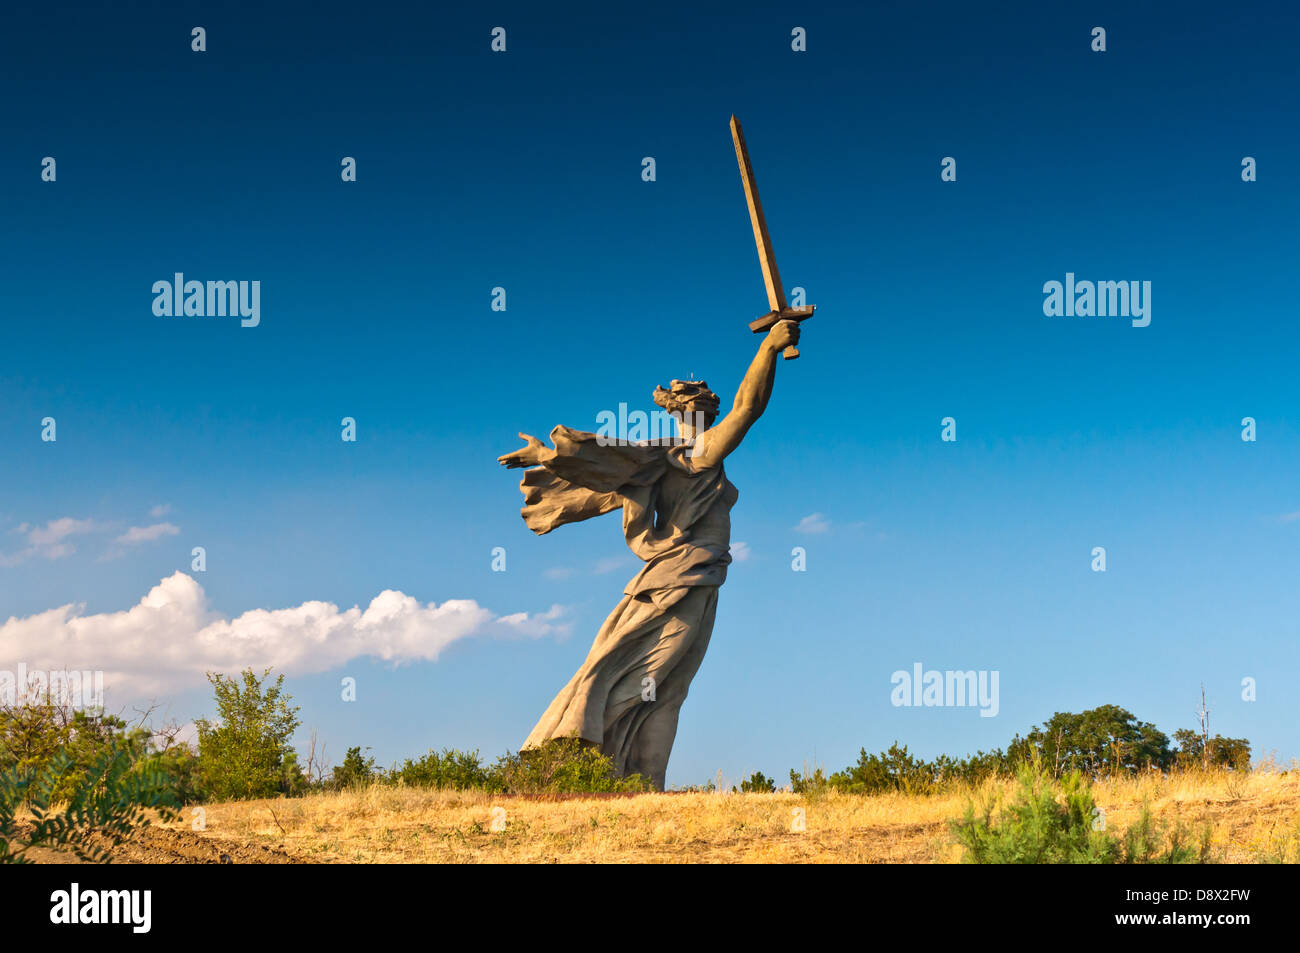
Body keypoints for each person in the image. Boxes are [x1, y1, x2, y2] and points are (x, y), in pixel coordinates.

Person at [497, 318, 801, 789]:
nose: (712, 414)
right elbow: (748, 408)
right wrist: (768, 350)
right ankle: (578, 759)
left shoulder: (654, 463)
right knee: (648, 675)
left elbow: (594, 488)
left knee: (668, 686)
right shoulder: (695, 456)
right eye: (704, 407)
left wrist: (549, 458)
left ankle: (637, 783)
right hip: (679, 580)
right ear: (691, 413)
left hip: (697, 579)